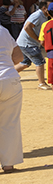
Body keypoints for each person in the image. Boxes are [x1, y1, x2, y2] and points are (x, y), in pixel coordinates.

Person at [0, 24, 24, 172]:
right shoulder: (3, 30)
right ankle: (8, 164)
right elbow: (18, 57)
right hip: (10, 79)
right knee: (10, 123)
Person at [15, 0, 50, 90]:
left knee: (25, 63)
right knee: (40, 62)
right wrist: (38, 40)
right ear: (44, 8)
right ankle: (41, 83)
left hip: (25, 43)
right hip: (28, 43)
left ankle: (5, 75)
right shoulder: (38, 15)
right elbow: (27, 27)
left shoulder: (45, 16)